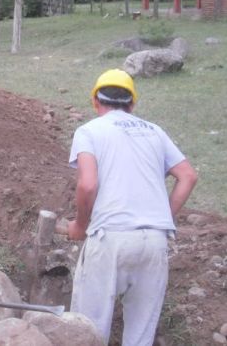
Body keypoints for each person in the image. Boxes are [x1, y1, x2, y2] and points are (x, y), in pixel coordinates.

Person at [66, 69, 198, 345]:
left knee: (88, 330)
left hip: (110, 238)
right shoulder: (154, 131)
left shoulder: (89, 131)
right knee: (140, 335)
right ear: (132, 104)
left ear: (95, 102)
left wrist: (79, 226)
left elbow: (87, 185)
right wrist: (164, 217)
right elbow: (188, 176)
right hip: (155, 240)